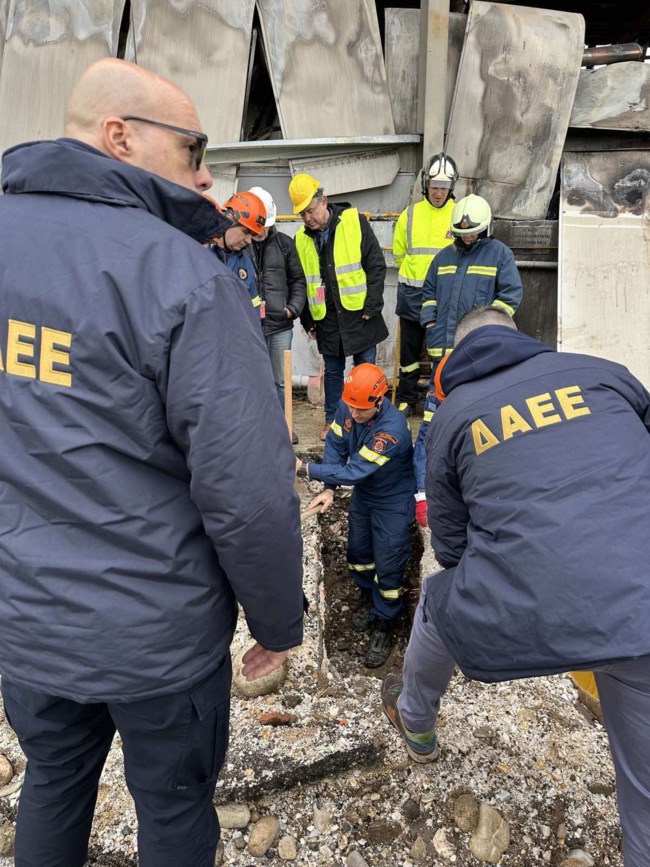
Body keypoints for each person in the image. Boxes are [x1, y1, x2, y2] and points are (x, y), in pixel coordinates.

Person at [0, 58, 304, 867]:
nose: (205, 174)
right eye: (194, 147)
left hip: (27, 620)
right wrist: (277, 622)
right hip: (155, 638)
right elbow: (249, 494)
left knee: (52, 780)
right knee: (172, 807)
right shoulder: (180, 277)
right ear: (120, 136)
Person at [382, 306, 650, 867]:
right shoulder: (606, 373)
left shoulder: (454, 415)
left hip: (532, 612)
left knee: (437, 599)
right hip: (641, 603)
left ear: (455, 358)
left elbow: (451, 550)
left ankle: (417, 724)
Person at [413, 193, 523, 525]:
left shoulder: (499, 255)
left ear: (485, 228)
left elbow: (510, 296)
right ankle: (423, 493)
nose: (466, 237)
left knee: (474, 423)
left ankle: (472, 489)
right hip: (443, 357)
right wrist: (430, 323)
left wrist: (486, 331)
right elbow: (428, 293)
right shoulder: (443, 257)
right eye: (461, 233)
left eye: (472, 232)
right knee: (432, 424)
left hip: (477, 359)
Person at [297, 363, 415, 668]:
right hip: (365, 494)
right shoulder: (349, 404)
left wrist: (304, 468)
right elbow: (336, 445)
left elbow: (354, 470)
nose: (353, 414)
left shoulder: (392, 430)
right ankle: (369, 599)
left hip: (392, 500)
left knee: (388, 564)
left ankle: (386, 620)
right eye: (350, 406)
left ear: (379, 399)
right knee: (358, 554)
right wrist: (328, 488)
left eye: (361, 410)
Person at [289, 172, 388, 440]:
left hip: (360, 314)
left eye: (310, 211)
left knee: (365, 370)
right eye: (302, 214)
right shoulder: (301, 239)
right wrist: (307, 319)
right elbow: (301, 281)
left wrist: (372, 305)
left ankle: (371, 420)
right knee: (333, 372)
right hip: (328, 318)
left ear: (324, 201)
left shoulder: (354, 221)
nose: (307, 218)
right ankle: (333, 422)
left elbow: (376, 265)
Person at [392, 152, 458, 417]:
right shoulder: (409, 215)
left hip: (444, 298)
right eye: (434, 187)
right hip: (411, 295)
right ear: (425, 186)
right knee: (408, 355)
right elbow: (398, 255)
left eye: (444, 187)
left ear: (451, 187)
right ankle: (407, 400)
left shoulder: (459, 215)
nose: (438, 193)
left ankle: (438, 398)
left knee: (440, 353)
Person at [249, 186, 306, 443]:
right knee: (254, 380)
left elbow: (298, 280)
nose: (261, 230)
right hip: (250, 326)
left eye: (266, 225)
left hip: (280, 326)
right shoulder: (240, 245)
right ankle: (259, 430)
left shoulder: (285, 244)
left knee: (281, 381)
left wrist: (292, 309)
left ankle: (284, 428)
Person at [207, 189, 267, 312]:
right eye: (245, 232)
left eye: (252, 235)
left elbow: (254, 308)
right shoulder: (201, 253)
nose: (248, 240)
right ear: (229, 219)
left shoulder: (246, 264)